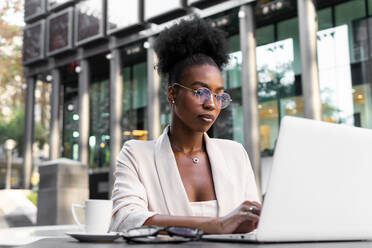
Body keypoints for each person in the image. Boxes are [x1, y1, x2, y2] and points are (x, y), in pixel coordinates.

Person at [110, 16, 261, 234]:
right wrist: (215, 225)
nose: (211, 104)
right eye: (200, 91)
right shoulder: (137, 154)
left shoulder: (235, 154)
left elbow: (252, 226)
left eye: (219, 95)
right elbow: (126, 219)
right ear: (172, 93)